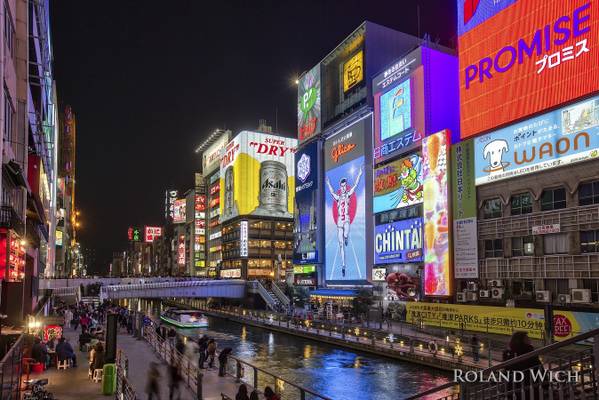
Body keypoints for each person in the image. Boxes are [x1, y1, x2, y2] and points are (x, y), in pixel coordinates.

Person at [325, 165, 363, 278]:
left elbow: (355, 186)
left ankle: (346, 237)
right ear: (340, 187)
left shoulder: (348, 195)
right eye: (342, 186)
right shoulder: (338, 197)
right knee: (341, 245)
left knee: (346, 234)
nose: (343, 187)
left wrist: (359, 174)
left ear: (346, 186)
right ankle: (343, 266)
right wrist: (327, 183)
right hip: (339, 222)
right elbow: (332, 192)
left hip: (346, 219)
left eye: (344, 185)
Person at [503, 331, 544, 399]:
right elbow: (539, 369)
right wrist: (546, 384)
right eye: (527, 338)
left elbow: (506, 371)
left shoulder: (507, 353)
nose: (529, 339)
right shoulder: (530, 352)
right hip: (530, 385)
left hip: (513, 387)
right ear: (521, 340)